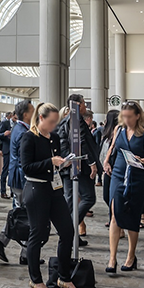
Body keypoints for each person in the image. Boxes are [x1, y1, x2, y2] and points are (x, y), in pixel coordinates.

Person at [20, 102, 82, 288]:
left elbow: (54, 163)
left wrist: (63, 163)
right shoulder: (28, 138)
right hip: (36, 189)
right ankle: (36, 279)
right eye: (52, 121)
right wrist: (50, 162)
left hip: (54, 189)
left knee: (67, 231)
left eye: (57, 122)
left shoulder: (53, 137)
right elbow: (27, 167)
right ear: (41, 118)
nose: (55, 125)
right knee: (38, 234)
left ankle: (63, 277)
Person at [102, 100, 144, 274]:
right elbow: (112, 148)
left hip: (136, 176)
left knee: (132, 216)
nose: (126, 120)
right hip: (118, 174)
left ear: (138, 116)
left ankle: (131, 256)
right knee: (115, 214)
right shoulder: (119, 130)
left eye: (129, 117)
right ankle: (112, 258)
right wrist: (106, 160)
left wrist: (140, 160)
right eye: (123, 116)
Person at [0, 100, 34, 264]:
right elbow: (24, 160)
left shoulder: (19, 128)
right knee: (24, 215)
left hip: (17, 176)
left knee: (22, 214)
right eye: (32, 110)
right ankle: (19, 250)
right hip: (21, 178)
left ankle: (16, 248)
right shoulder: (22, 131)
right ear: (26, 114)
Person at [55, 95, 100, 239]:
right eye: (84, 104)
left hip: (69, 167)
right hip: (79, 166)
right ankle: (69, 229)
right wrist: (92, 163)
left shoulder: (65, 121)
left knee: (71, 201)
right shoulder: (76, 121)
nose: (86, 107)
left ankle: (71, 236)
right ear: (79, 105)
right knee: (88, 198)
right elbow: (81, 143)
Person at [98, 109, 120, 219]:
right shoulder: (106, 134)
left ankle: (115, 220)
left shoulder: (120, 133)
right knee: (107, 196)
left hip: (115, 168)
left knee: (113, 196)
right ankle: (113, 216)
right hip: (107, 168)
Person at [0, 112, 14, 198]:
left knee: (13, 171)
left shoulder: (18, 124)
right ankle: (3, 191)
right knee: (5, 170)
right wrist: (4, 134)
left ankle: (13, 190)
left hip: (15, 150)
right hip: (7, 149)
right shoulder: (5, 123)